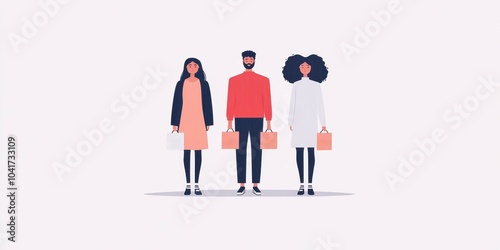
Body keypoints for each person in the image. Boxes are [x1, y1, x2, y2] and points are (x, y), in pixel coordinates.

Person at [226, 50, 272, 196]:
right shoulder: (233, 80)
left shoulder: (264, 80)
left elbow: (267, 100)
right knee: (240, 151)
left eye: (250, 58)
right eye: (246, 58)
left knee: (257, 151)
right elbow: (230, 100)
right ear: (242, 60)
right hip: (239, 118)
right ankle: (241, 184)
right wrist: (229, 121)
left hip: (258, 118)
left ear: (254, 60)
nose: (248, 60)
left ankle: (255, 184)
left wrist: (269, 121)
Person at [282, 54, 328, 195]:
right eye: (302, 66)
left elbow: (320, 105)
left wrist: (323, 124)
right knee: (299, 151)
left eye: (308, 66)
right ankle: (302, 184)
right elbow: (292, 103)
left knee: (311, 151)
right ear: (297, 68)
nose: (305, 68)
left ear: (313, 68)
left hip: (311, 122)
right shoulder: (296, 85)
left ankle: (310, 183)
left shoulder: (316, 86)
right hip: (298, 123)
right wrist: (290, 121)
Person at [171, 58, 213, 195]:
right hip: (184, 120)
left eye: (196, 65)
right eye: (190, 65)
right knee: (187, 152)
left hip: (199, 121)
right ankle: (188, 184)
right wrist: (174, 124)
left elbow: (208, 104)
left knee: (198, 151)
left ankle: (197, 184)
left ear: (199, 68)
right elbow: (176, 104)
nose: (193, 67)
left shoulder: (204, 84)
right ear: (186, 68)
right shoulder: (180, 84)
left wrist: (208, 122)